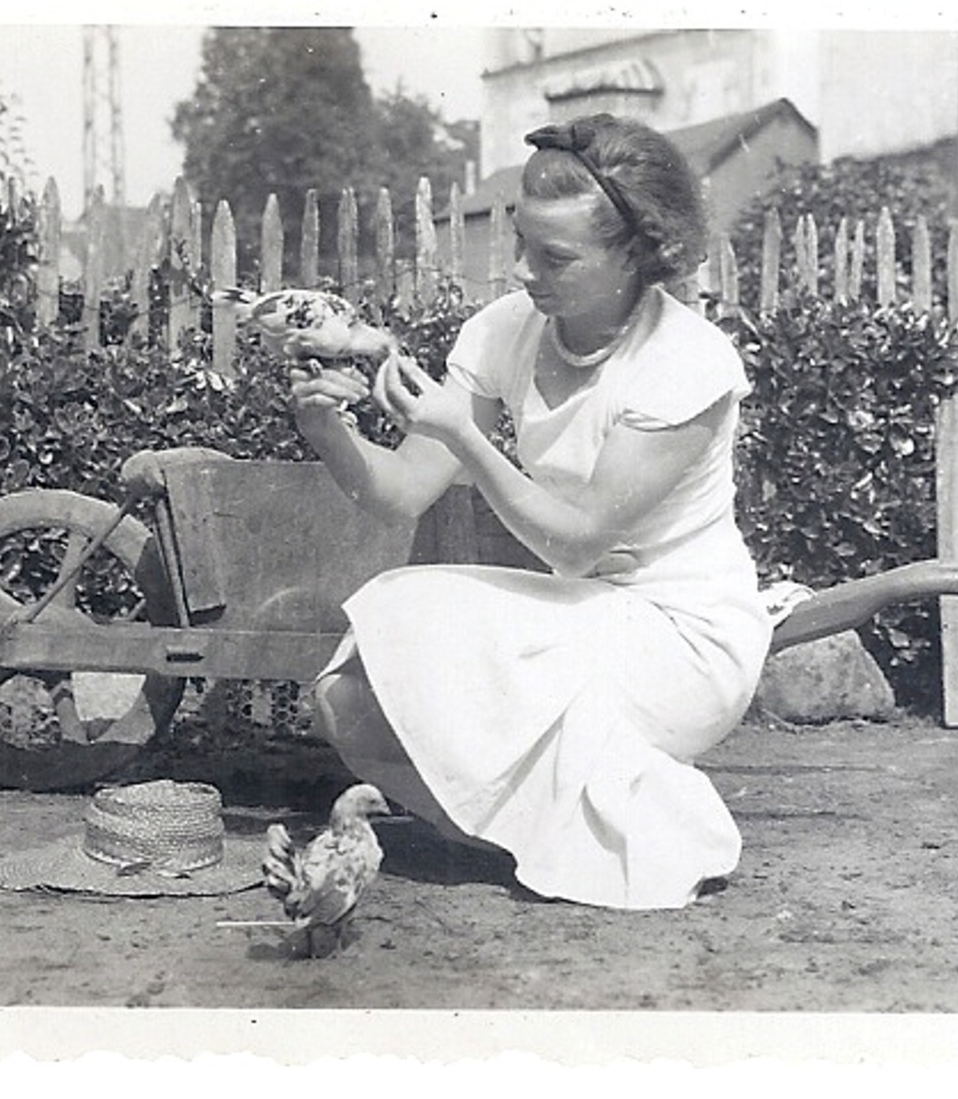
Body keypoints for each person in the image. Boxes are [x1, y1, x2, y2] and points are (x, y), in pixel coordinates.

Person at [280, 113, 772, 910]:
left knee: (422, 642)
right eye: (520, 244)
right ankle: (528, 838)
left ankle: (619, 829)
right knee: (348, 694)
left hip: (684, 635)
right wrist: (322, 426)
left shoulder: (686, 365)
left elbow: (574, 546)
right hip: (582, 612)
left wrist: (464, 437)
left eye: (554, 257)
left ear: (639, 257)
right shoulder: (506, 330)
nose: (520, 273)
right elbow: (400, 491)